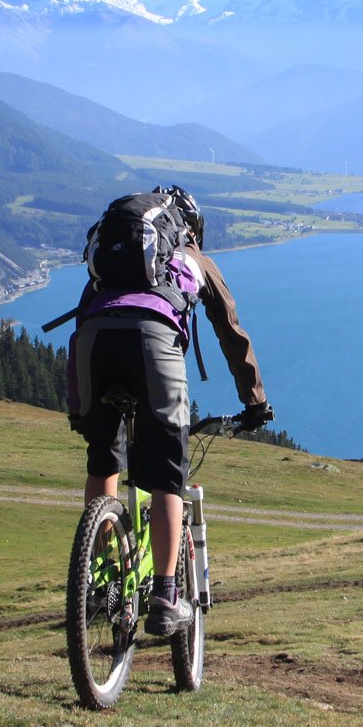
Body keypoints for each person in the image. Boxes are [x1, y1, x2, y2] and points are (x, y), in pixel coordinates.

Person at [61, 186, 271, 635]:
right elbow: (231, 333)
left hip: (95, 343)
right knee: (168, 474)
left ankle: (99, 580)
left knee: (103, 459)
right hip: (153, 342)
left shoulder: (113, 264)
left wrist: (80, 406)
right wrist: (255, 403)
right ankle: (164, 597)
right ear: (191, 227)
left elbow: (83, 322)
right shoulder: (191, 258)